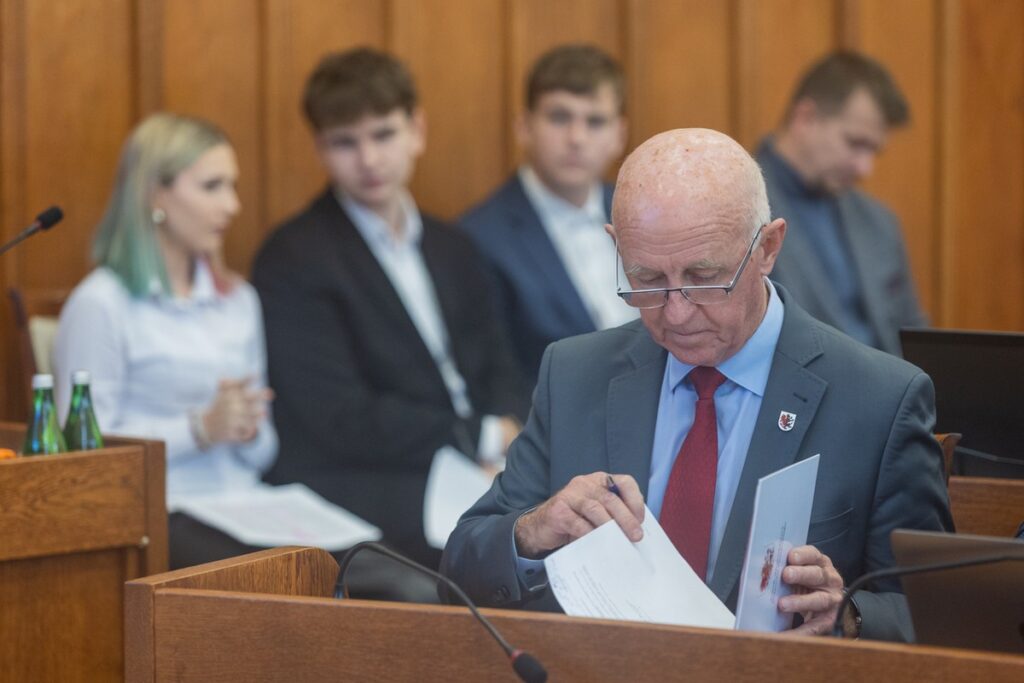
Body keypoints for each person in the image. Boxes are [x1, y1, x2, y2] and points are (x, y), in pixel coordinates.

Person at [442, 128, 953, 642]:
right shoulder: (574, 374)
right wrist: (534, 530)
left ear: (769, 247)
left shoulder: (880, 400)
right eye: (646, 280)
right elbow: (461, 566)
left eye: (704, 276)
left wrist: (848, 614)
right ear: (617, 249)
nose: (677, 313)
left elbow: (939, 617)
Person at [252, 48, 531, 568]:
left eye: (383, 134)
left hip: (482, 460)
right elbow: (337, 417)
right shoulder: (293, 256)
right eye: (345, 143)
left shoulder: (454, 245)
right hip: (368, 476)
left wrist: (509, 437)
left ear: (417, 130)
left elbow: (499, 364)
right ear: (319, 148)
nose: (369, 160)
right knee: (506, 548)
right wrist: (478, 437)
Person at [53, 112, 277, 569]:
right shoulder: (102, 304)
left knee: (385, 578)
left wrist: (247, 427)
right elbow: (83, 453)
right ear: (156, 193)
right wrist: (198, 429)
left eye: (232, 186)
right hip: (161, 518)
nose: (232, 206)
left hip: (249, 504)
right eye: (212, 186)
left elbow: (264, 452)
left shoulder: (239, 300)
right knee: (339, 592)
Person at [460, 44, 634, 379]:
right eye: (559, 117)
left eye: (595, 121)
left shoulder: (646, 213)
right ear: (524, 127)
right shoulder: (478, 239)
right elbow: (496, 378)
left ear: (619, 135)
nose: (577, 138)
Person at [757, 51, 926, 356]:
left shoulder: (880, 222)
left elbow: (915, 336)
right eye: (855, 143)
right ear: (805, 117)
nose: (865, 168)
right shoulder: (735, 212)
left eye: (874, 151)